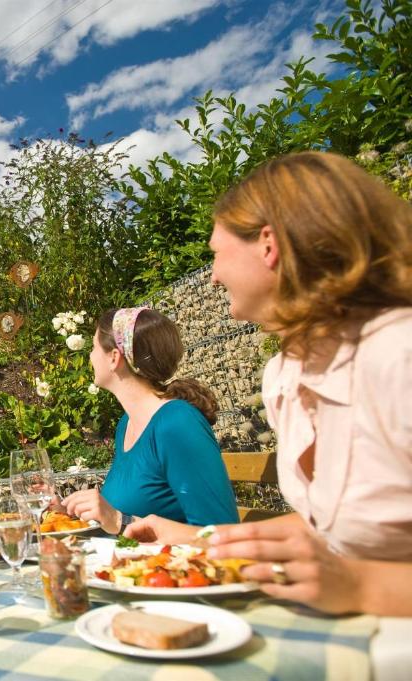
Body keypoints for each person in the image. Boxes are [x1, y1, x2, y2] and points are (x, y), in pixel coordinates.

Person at [125, 151, 412, 616]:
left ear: (268, 244)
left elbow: (359, 564)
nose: (213, 274)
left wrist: (361, 587)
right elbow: (332, 530)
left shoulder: (399, 355)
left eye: (216, 253)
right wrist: (203, 540)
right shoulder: (286, 374)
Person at [61, 308, 238, 533]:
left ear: (114, 358)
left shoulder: (177, 423)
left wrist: (120, 520)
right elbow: (123, 512)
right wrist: (67, 511)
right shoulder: (126, 425)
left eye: (94, 347)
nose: (90, 356)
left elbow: (222, 533)